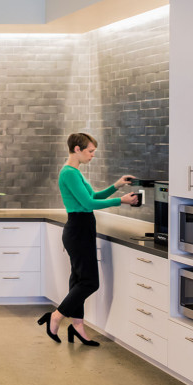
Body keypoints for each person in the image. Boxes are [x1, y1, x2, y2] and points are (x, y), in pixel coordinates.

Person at [38, 132, 137, 346]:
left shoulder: (76, 172)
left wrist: (116, 186)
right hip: (78, 230)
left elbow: (93, 197)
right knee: (90, 282)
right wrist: (121, 201)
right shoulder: (69, 173)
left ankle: (78, 326)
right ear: (77, 149)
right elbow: (89, 204)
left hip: (82, 229)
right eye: (90, 151)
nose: (93, 155)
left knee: (78, 281)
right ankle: (56, 316)